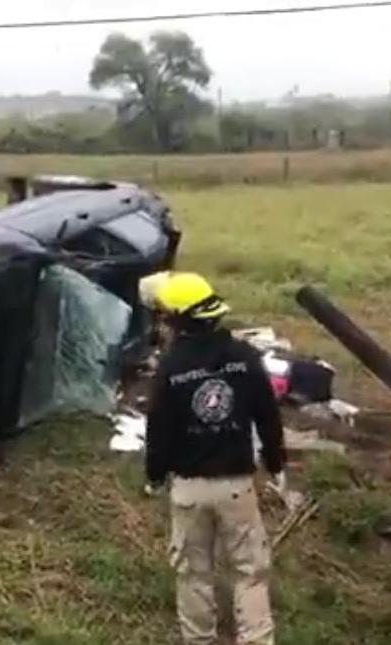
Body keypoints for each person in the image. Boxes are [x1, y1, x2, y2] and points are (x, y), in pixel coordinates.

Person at [143, 271, 287, 645]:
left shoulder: (171, 368)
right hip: (237, 486)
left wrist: (155, 474)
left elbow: (158, 429)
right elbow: (268, 416)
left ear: (177, 319)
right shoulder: (245, 357)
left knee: (193, 575)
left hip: (189, 490)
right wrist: (275, 462)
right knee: (251, 573)